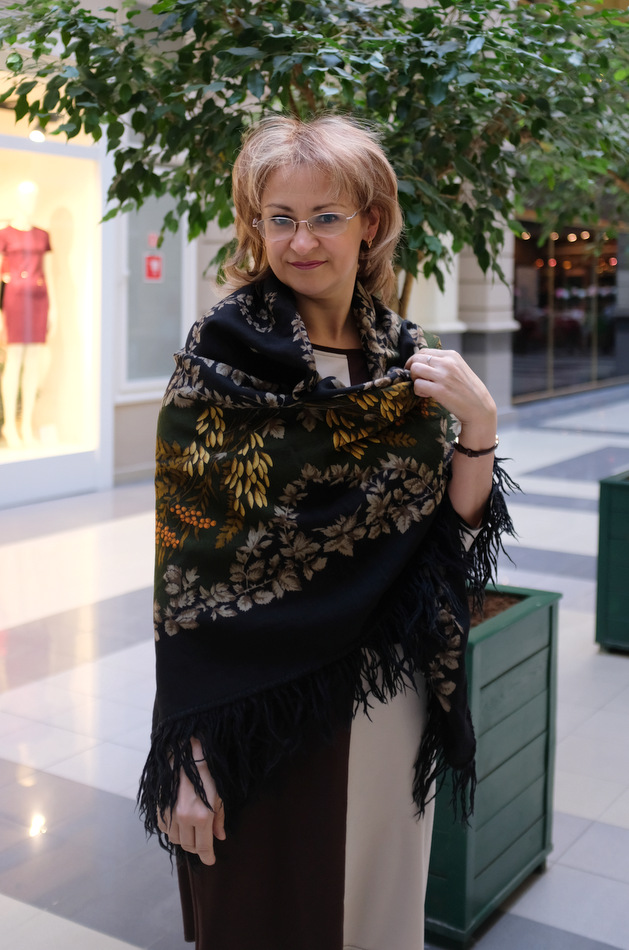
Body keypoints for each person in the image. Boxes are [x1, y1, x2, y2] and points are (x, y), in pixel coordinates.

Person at [139, 114, 515, 950]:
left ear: (368, 223)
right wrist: (186, 744)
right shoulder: (223, 356)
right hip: (258, 709)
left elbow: (445, 538)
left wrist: (479, 425)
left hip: (385, 691)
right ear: (255, 224)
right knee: (265, 914)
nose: (301, 240)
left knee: (376, 915)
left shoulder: (402, 357)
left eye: (325, 217)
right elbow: (186, 572)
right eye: (280, 217)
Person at [0, 179, 54, 448]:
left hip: (39, 299)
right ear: (17, 199)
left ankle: (26, 424)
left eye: (34, 196)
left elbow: (49, 272)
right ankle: (9, 425)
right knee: (14, 359)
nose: (30, 202)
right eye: (26, 196)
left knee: (34, 360)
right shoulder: (4, 233)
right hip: (14, 299)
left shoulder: (43, 235)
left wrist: (54, 306)